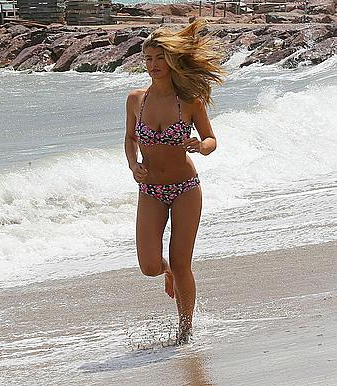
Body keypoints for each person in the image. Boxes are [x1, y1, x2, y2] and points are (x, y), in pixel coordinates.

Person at [124, 19, 225, 344]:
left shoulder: (190, 100)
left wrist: (202, 147)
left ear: (171, 61)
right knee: (150, 265)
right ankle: (167, 272)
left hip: (185, 189)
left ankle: (185, 329)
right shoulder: (135, 100)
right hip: (150, 189)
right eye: (148, 59)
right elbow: (129, 139)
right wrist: (132, 164)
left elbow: (211, 139)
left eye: (159, 59)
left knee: (183, 262)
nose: (153, 65)